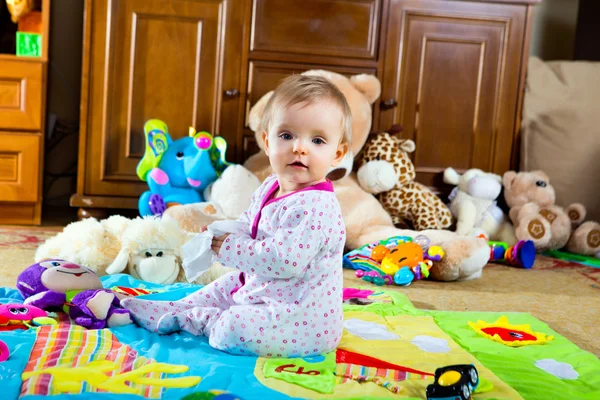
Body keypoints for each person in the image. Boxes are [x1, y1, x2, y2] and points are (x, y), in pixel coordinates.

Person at [122, 74, 351, 357]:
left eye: (317, 140)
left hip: (299, 317)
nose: (299, 147)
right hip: (264, 288)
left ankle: (194, 319)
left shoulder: (316, 207)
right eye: (286, 135)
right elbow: (249, 222)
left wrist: (231, 248)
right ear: (267, 142)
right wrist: (220, 232)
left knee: (232, 329)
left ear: (337, 154)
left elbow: (285, 260)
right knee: (224, 285)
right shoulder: (271, 184)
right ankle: (177, 307)